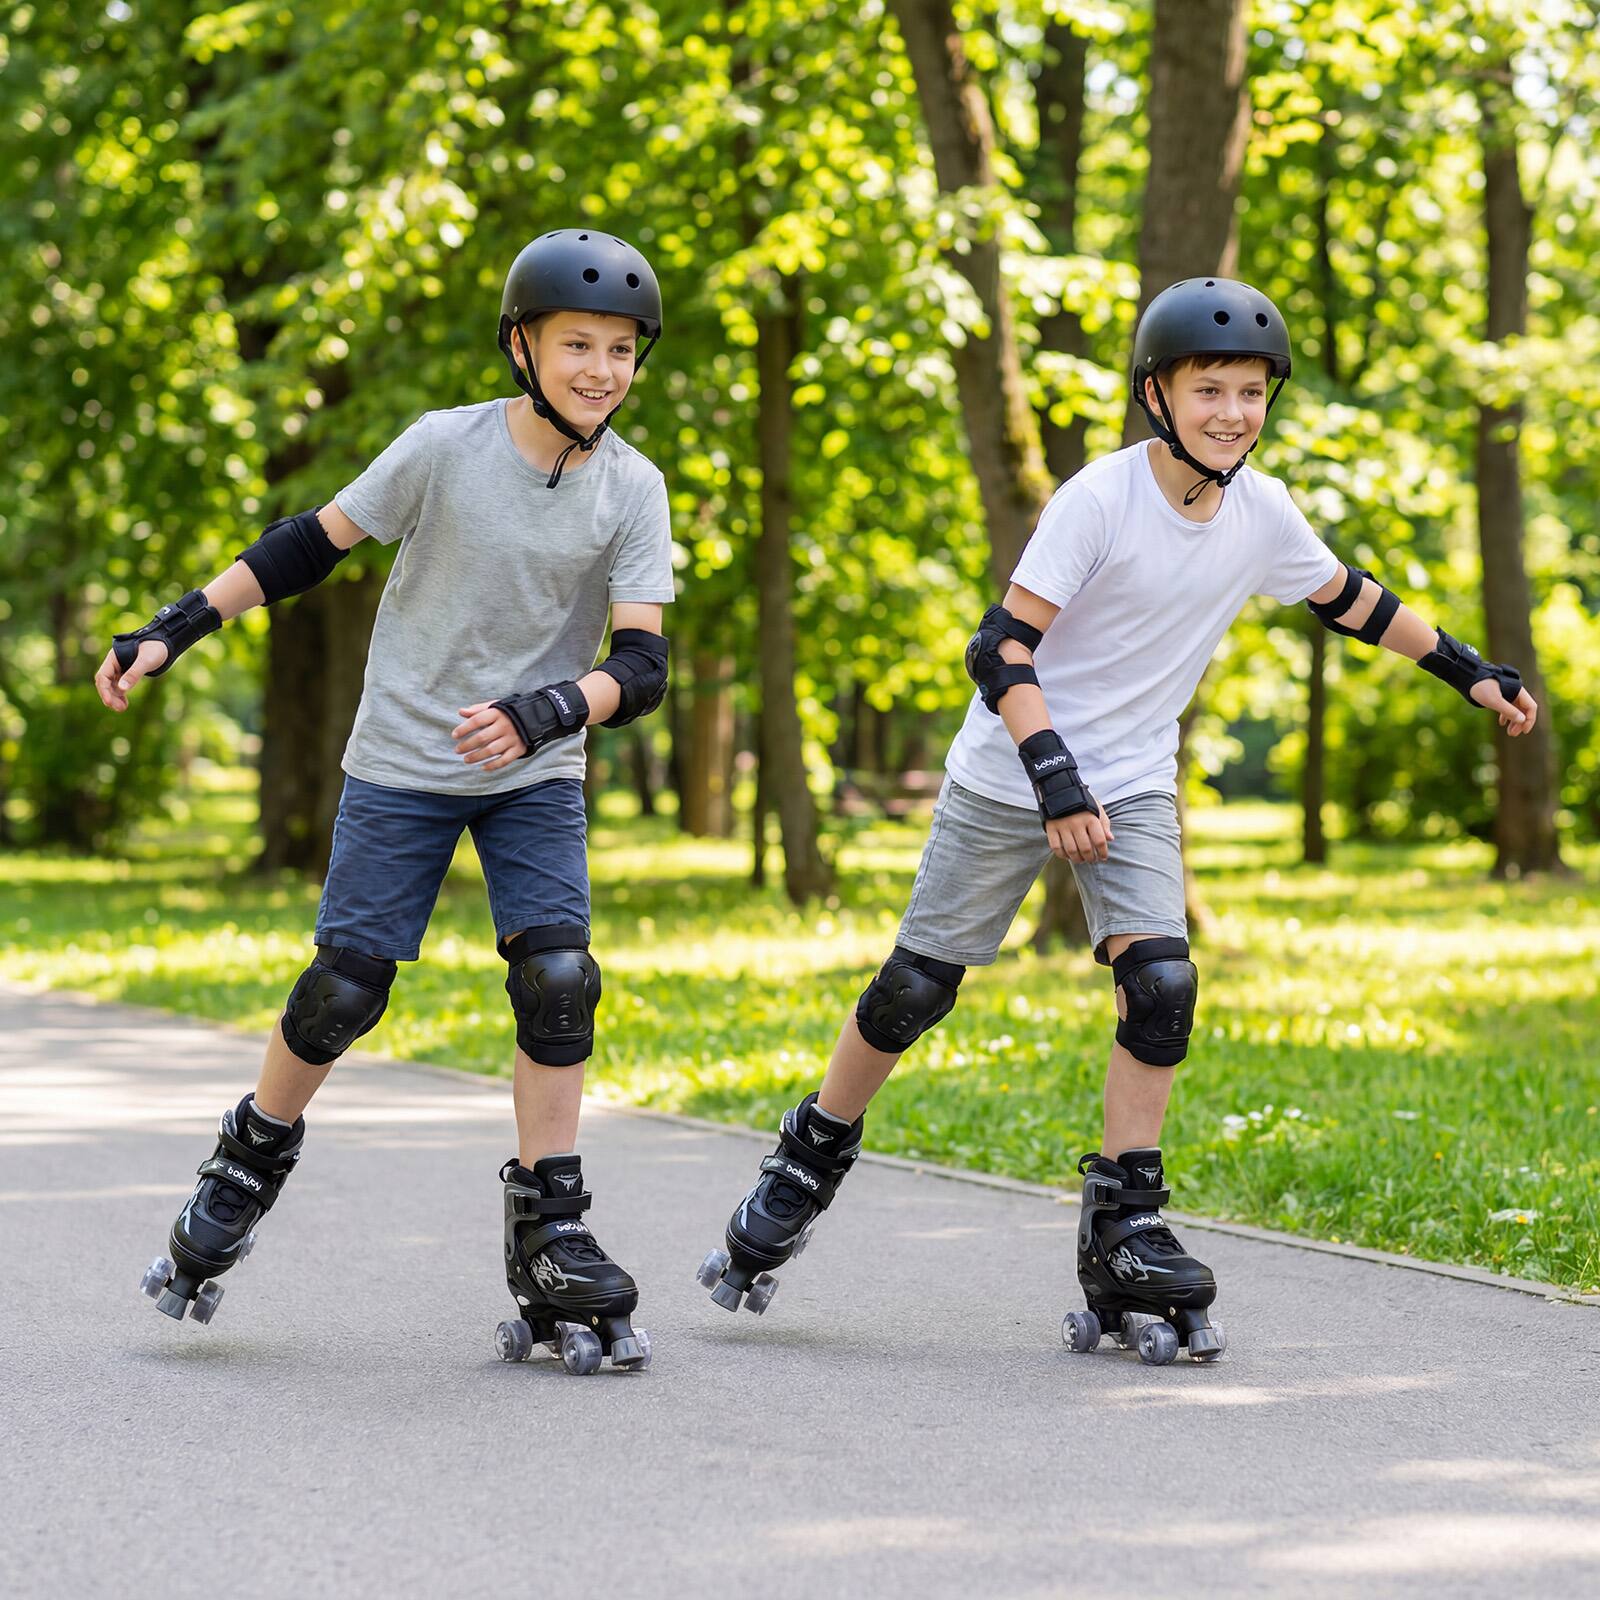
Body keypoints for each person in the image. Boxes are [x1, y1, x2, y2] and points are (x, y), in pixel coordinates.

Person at [697, 276, 1540, 1364]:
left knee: (1162, 986)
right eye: (1208, 390)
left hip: (1135, 783)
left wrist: (1468, 671)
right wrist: (1053, 777)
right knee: (915, 988)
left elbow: (1352, 598)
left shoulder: (1261, 511)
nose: (1232, 412)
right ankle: (807, 1157)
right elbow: (998, 647)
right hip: (1011, 775)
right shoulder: (1098, 499)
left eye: (1250, 392)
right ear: (1158, 393)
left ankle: (1125, 1224)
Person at [99, 229, 675, 1375]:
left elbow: (645, 669)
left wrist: (548, 710)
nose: (601, 370)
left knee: (559, 977)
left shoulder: (633, 487)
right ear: (522, 345)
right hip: (404, 763)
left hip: (533, 770)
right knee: (344, 988)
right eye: (577, 345)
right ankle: (248, 1155)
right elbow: (307, 548)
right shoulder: (443, 449)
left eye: (619, 350)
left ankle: (552, 1226)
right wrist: (175, 626)